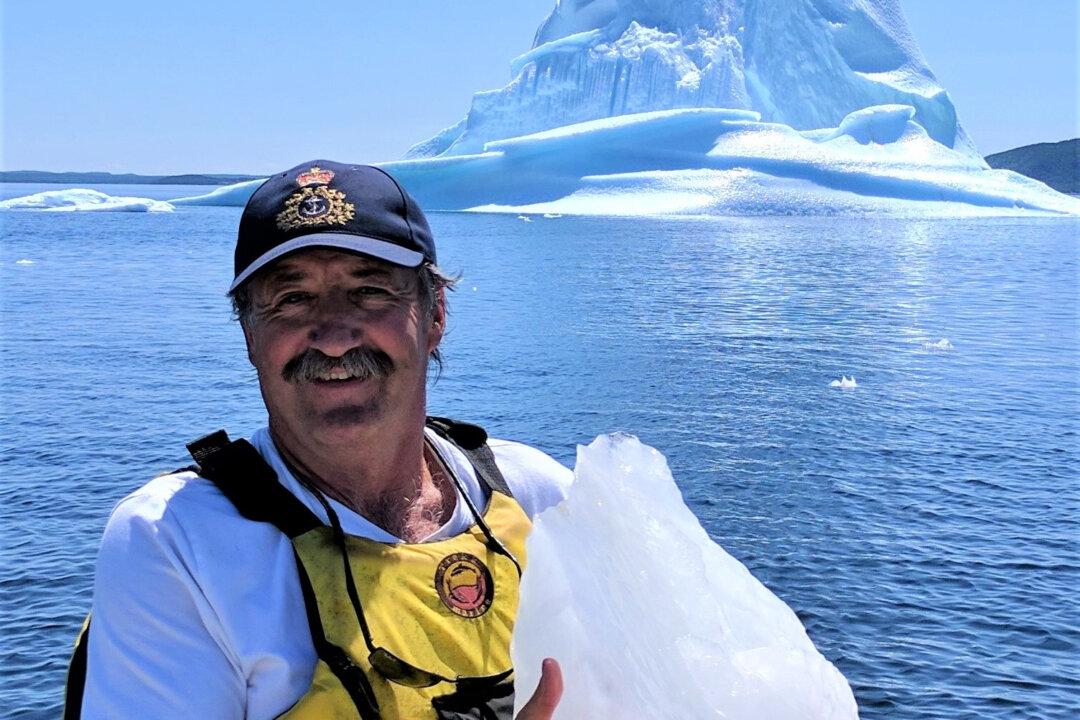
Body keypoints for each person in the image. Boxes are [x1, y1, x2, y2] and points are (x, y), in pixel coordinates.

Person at [64, 161, 571, 719]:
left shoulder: (537, 494)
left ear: (434, 317)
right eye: (292, 300)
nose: (332, 338)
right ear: (250, 336)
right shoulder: (179, 542)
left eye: (370, 292)